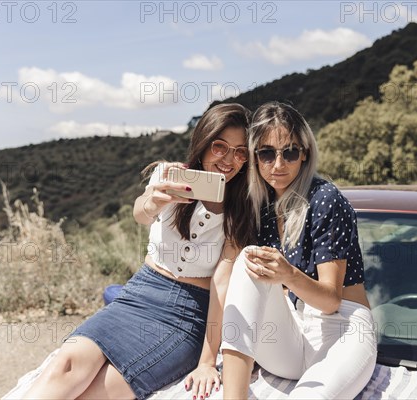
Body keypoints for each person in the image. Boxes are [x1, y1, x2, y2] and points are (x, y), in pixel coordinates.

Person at [22, 103, 254, 400]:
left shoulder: (242, 209)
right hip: (140, 292)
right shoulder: (169, 175)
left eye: (240, 152)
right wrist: (153, 202)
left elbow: (221, 283)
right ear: (203, 143)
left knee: (96, 393)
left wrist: (207, 361)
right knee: (64, 367)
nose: (229, 159)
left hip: (187, 315)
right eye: (220, 147)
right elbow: (140, 213)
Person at [220, 102, 377, 399]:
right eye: (266, 153)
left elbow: (330, 301)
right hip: (292, 333)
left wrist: (288, 275)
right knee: (248, 259)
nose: (278, 165)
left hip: (342, 329)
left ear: (304, 154)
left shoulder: (325, 199)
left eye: (289, 152)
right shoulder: (262, 206)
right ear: (255, 158)